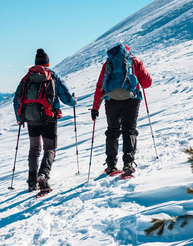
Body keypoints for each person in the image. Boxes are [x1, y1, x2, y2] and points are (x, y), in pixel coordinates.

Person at [13, 49, 77, 192]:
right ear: (48, 63)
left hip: (31, 119)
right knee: (50, 148)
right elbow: (66, 98)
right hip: (49, 118)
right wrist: (74, 102)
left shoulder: (26, 78)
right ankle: (43, 175)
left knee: (34, 150)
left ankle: (31, 181)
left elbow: (16, 99)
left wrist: (19, 118)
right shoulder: (53, 76)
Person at [91, 43, 152, 177]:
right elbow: (147, 83)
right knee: (129, 130)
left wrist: (95, 107)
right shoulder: (135, 61)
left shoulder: (108, 63)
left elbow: (100, 85)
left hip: (111, 100)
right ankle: (128, 164)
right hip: (131, 100)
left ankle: (111, 166)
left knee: (112, 131)